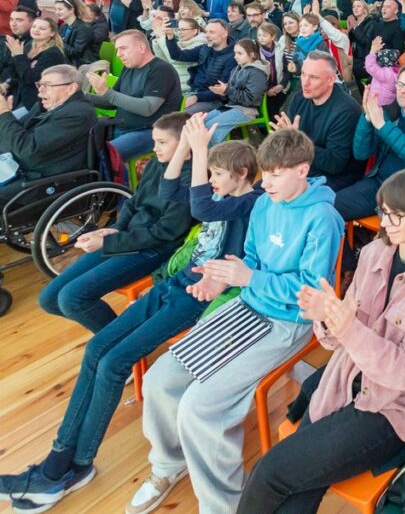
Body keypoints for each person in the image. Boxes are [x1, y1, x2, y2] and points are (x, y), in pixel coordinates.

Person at [0, 128, 261, 513]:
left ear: (240, 173)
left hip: (196, 299)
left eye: (217, 175)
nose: (209, 182)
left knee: (112, 362)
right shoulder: (222, 194)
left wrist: (202, 149)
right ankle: (60, 461)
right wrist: (185, 151)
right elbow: (175, 192)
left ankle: (72, 467)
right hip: (175, 284)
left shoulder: (249, 204)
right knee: (96, 348)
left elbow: (206, 212)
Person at [126, 128, 342, 514]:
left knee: (199, 406)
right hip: (246, 305)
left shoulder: (323, 218)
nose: (268, 182)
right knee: (161, 378)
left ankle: (224, 505)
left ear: (303, 170)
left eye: (276, 174)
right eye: (265, 173)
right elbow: (252, 261)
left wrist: (250, 279)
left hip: (288, 321)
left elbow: (313, 291)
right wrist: (222, 274)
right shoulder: (263, 205)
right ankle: (168, 465)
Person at [237, 166, 405, 513]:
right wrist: (326, 318)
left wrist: (346, 326)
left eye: (396, 217)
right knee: (294, 493)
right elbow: (338, 340)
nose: (384, 224)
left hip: (389, 410)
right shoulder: (372, 255)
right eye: (384, 212)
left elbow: (404, 374)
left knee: (269, 472)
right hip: (342, 383)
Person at [37, 112, 193, 331]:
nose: (155, 148)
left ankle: (119, 343)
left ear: (186, 142)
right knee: (49, 299)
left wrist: (110, 242)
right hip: (128, 237)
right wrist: (113, 230)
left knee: (72, 299)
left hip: (155, 248)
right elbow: (133, 202)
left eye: (162, 142)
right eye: (155, 141)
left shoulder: (192, 178)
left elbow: (166, 232)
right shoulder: (156, 164)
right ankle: (121, 336)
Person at [337, 64, 405, 223]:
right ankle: (350, 246)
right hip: (381, 184)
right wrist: (367, 118)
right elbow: (361, 153)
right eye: (400, 84)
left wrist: (382, 125)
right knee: (330, 207)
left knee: (395, 229)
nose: (402, 90)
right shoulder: (391, 111)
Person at [0, 64, 97, 203]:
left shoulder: (77, 114)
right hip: (21, 167)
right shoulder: (45, 105)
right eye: (40, 85)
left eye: (48, 85)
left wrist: (4, 113)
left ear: (71, 88)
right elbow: (17, 133)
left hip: (43, 181)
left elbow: (27, 148)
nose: (40, 92)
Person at [85, 30, 182, 165]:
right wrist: (81, 96)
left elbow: (147, 108)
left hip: (151, 131)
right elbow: (112, 102)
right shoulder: (129, 68)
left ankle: (115, 186)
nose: (118, 55)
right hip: (121, 126)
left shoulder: (161, 70)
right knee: (82, 147)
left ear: (141, 47)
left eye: (123, 49)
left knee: (103, 157)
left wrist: (106, 92)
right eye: (117, 50)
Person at [273, 50, 364, 190]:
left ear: (331, 80)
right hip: (302, 167)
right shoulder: (299, 98)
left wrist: (297, 141)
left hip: (334, 178)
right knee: (258, 189)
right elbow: (287, 143)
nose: (305, 82)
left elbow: (334, 164)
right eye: (303, 74)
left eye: (314, 77)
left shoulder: (345, 111)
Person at [158, 17, 237, 114]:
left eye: (211, 32)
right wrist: (170, 36)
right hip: (194, 93)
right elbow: (177, 55)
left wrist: (196, 98)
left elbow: (222, 91)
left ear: (225, 33)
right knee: (161, 109)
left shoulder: (233, 57)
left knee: (177, 116)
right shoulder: (204, 48)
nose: (207, 35)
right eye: (206, 32)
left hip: (213, 100)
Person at [201, 38, 269, 144]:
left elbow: (250, 100)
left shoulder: (256, 73)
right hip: (231, 107)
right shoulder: (236, 69)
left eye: (240, 53)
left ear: (252, 54)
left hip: (246, 111)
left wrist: (228, 90)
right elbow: (230, 96)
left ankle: (215, 155)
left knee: (211, 127)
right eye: (235, 53)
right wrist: (222, 93)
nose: (235, 56)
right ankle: (212, 152)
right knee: (201, 123)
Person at [6, 16, 66, 111]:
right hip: (20, 95)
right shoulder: (28, 45)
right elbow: (15, 74)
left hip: (37, 101)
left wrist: (18, 56)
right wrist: (13, 55)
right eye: (34, 27)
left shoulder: (52, 53)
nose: (36, 30)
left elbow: (30, 78)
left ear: (52, 33)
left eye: (42, 28)